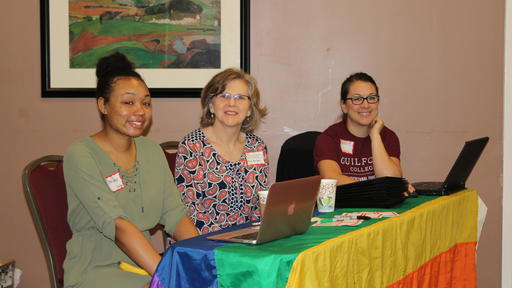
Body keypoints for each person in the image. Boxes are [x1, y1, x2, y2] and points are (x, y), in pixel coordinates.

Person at [63, 52, 198, 288]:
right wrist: (167, 277)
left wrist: (201, 263)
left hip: (142, 266)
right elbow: (119, 227)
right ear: (103, 105)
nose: (140, 111)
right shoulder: (81, 154)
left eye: (146, 103)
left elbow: (175, 216)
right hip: (96, 271)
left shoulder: (151, 150)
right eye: (128, 102)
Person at [174, 68, 269, 234]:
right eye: (224, 96)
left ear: (249, 109)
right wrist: (232, 241)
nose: (232, 103)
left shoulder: (257, 146)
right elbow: (190, 211)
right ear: (211, 105)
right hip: (203, 244)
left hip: (248, 241)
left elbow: (260, 204)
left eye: (240, 97)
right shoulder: (192, 146)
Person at [313, 72, 407, 186]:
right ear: (344, 106)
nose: (366, 105)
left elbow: (392, 182)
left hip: (379, 204)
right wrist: (376, 190)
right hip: (344, 203)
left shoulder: (388, 137)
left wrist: (376, 136)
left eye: (372, 98)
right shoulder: (328, 138)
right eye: (357, 99)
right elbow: (332, 179)